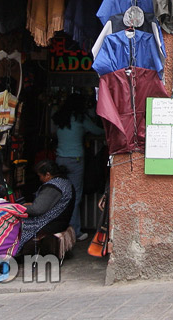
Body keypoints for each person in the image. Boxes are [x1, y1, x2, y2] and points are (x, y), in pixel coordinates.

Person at [52, 93, 104, 240]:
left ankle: (60, 227)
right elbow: (98, 131)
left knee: (61, 194)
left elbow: (53, 133)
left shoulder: (60, 118)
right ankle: (75, 231)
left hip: (60, 159)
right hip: (75, 161)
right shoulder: (80, 119)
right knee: (75, 195)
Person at [17, 159, 75, 254]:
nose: (40, 179)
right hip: (60, 221)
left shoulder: (53, 187)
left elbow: (37, 209)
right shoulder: (64, 182)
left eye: (40, 176)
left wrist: (18, 208)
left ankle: (11, 254)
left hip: (51, 224)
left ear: (48, 175)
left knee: (14, 223)